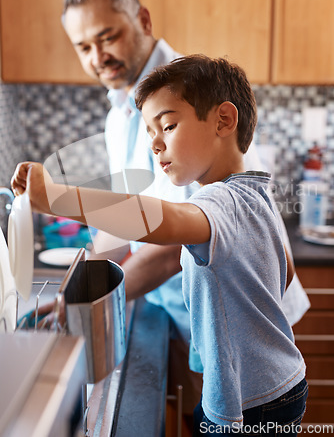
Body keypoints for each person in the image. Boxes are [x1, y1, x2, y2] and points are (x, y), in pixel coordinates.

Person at [11, 55, 308, 435]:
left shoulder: (219, 201)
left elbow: (158, 220)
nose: (155, 143)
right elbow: (284, 268)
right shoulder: (254, 192)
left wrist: (56, 198)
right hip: (277, 384)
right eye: (151, 131)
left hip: (251, 402)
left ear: (224, 120)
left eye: (167, 125)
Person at [61, 0, 309, 416]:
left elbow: (167, 235)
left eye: (108, 36)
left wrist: (88, 308)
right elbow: (125, 214)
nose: (98, 56)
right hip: (198, 320)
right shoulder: (123, 112)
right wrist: (79, 283)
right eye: (83, 47)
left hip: (243, 336)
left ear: (143, 20)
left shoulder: (188, 100)